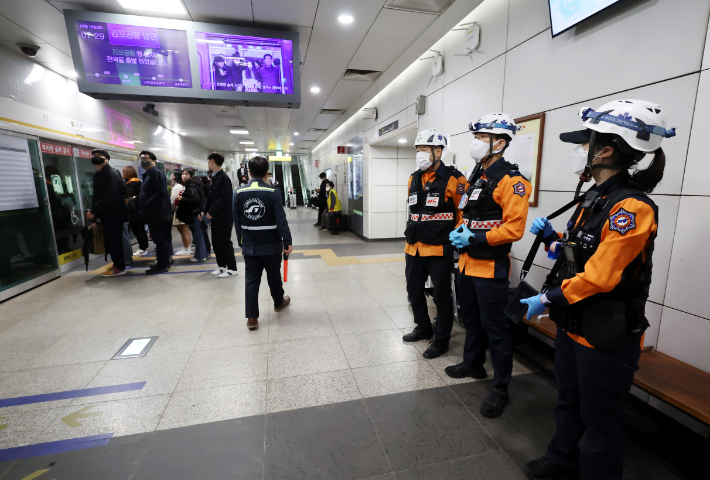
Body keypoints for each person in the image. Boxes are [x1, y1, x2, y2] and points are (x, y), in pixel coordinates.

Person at [521, 100, 675, 480]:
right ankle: (560, 460)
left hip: (606, 335)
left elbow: (603, 276)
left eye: (585, 141)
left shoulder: (632, 208)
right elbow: (582, 254)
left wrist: (545, 299)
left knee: (601, 421)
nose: (580, 149)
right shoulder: (594, 198)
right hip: (575, 323)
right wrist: (552, 241)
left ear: (605, 149)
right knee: (568, 399)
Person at [447, 113, 531, 419]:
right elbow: (468, 214)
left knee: (495, 328)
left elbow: (514, 229)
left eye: (482, 137)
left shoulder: (513, 181)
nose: (477, 143)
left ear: (500, 142)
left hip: (490, 267)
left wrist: (476, 238)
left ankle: (501, 387)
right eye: (478, 137)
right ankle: (473, 363)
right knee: (469, 318)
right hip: (467, 265)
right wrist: (460, 232)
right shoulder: (478, 176)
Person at [402, 129, 467, 359]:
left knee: (441, 296)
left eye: (424, 150)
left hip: (439, 248)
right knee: (413, 292)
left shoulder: (454, 178)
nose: (419, 154)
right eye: (418, 150)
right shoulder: (414, 177)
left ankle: (442, 339)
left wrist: (459, 241)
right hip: (414, 248)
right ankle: (423, 327)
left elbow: (463, 214)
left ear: (438, 152)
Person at [233, 155, 292, 330]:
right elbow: (281, 220)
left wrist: (241, 242)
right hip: (271, 245)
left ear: (249, 172)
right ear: (267, 173)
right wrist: (287, 241)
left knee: (251, 280)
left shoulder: (238, 193)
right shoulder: (273, 192)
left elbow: (237, 221)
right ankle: (278, 302)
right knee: (274, 276)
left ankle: (252, 318)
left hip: (250, 245)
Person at [86, 149, 128, 277]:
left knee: (114, 241)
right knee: (111, 241)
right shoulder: (99, 173)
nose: (95, 158)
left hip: (114, 213)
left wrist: (94, 211)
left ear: (107, 159)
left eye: (99, 156)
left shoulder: (109, 173)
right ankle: (117, 265)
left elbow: (108, 196)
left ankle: (120, 268)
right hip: (108, 213)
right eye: (93, 156)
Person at [200, 152, 237, 277]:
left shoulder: (223, 178)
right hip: (215, 217)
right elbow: (210, 198)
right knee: (216, 242)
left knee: (225, 242)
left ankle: (232, 268)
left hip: (224, 217)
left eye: (208, 161)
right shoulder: (214, 178)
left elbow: (224, 198)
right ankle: (221, 266)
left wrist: (211, 212)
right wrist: (204, 211)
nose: (208, 163)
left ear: (212, 161)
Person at [138, 151, 172, 274]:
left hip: (157, 213)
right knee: (159, 239)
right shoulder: (148, 174)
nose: (143, 160)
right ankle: (162, 262)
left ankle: (162, 265)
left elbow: (161, 193)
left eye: (146, 158)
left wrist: (147, 204)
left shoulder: (156, 173)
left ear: (154, 161)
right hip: (154, 212)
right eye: (141, 158)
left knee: (160, 239)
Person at [176, 168, 208, 262]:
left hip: (196, 214)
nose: (184, 176)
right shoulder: (193, 185)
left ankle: (200, 256)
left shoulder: (191, 186)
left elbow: (195, 200)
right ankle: (204, 254)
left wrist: (182, 199)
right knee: (199, 235)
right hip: (197, 213)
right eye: (183, 174)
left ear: (191, 175)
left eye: (186, 174)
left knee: (198, 236)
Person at [123, 166, 149, 256]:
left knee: (137, 230)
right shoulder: (139, 182)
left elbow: (129, 199)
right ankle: (144, 247)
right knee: (141, 229)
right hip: (140, 210)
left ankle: (143, 248)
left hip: (133, 212)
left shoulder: (130, 185)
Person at [170, 172, 192, 256]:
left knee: (183, 230)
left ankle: (187, 249)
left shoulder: (177, 186)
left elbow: (173, 200)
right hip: (184, 209)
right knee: (184, 230)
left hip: (179, 210)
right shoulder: (183, 185)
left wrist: (170, 209)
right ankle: (187, 248)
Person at [199, 175, 212, 255]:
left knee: (203, 232)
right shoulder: (209, 186)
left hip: (204, 209)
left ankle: (205, 253)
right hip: (206, 209)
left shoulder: (204, 188)